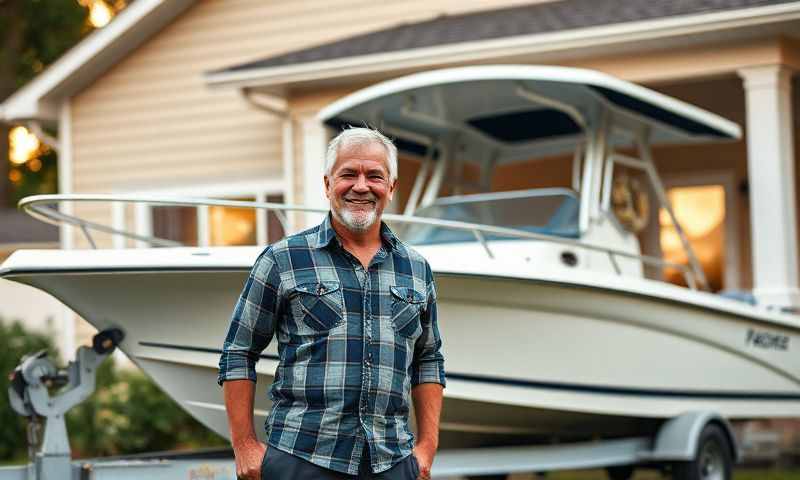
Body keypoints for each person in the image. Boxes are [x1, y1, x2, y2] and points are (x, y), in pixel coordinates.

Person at [217, 127, 446, 480]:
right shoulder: (283, 259)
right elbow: (238, 351)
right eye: (348, 174)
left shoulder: (416, 269)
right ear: (327, 184)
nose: (361, 186)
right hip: (302, 460)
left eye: (374, 176)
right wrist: (244, 445)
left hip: (392, 462)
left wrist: (427, 448)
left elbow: (428, 359)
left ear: (391, 188)